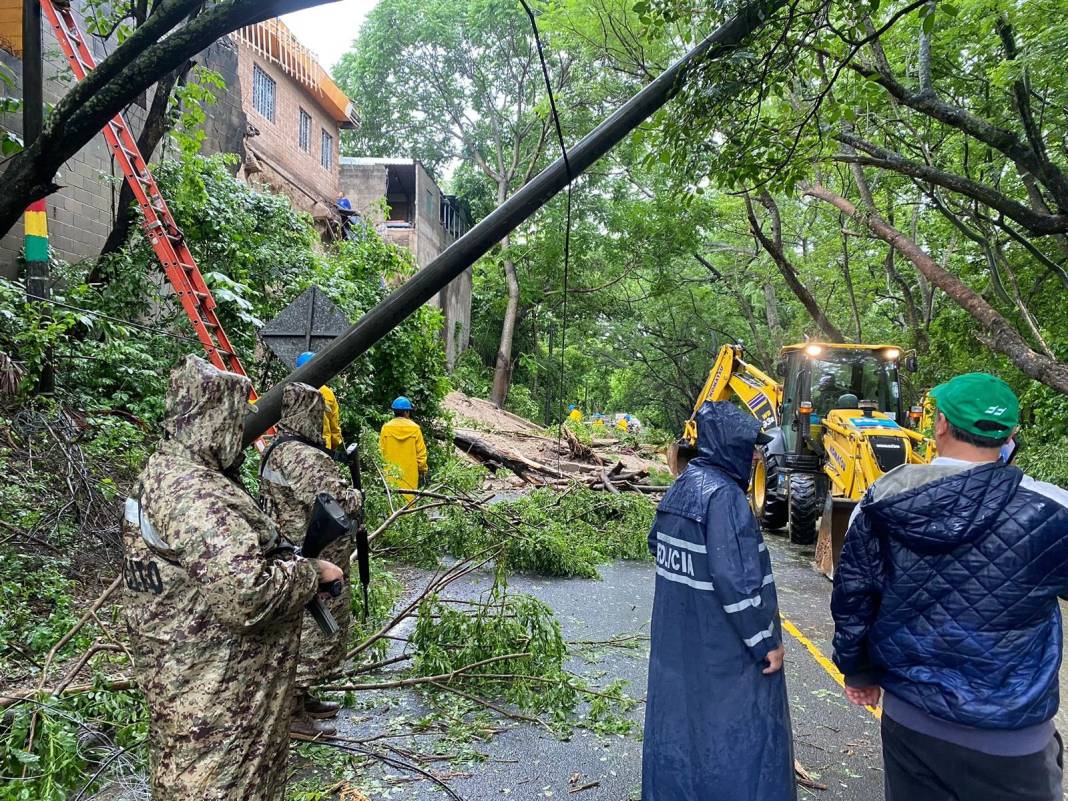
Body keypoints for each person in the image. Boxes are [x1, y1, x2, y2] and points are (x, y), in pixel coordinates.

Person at [831, 372, 1068, 801]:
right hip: (1011, 740)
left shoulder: (877, 502)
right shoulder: (1051, 511)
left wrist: (859, 671)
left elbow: (854, 598)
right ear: (1010, 433)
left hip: (910, 722)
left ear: (939, 424)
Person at [121, 355, 343, 801]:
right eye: (236, 416)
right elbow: (246, 595)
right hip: (216, 699)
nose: (243, 428)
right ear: (214, 418)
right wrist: (309, 572)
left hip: (196, 687)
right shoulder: (194, 494)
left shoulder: (168, 473)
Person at [642, 401, 795, 801]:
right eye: (752, 447)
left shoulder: (682, 486)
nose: (757, 455)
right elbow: (738, 583)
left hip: (676, 646)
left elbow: (656, 544)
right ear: (733, 446)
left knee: (680, 731)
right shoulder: (725, 498)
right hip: (721, 654)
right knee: (730, 740)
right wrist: (766, 643)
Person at [260, 383, 362, 738]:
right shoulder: (305, 457)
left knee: (304, 626)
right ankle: (291, 709)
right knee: (316, 630)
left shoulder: (277, 450)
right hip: (314, 556)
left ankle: (300, 698)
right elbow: (336, 502)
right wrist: (357, 496)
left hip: (292, 552)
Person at [379, 396, 428, 502]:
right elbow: (421, 454)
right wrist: (422, 470)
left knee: (391, 502)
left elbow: (380, 452)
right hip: (410, 475)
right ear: (407, 412)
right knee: (409, 503)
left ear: (394, 412)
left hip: (390, 475)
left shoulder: (386, 428)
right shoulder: (415, 429)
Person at [295, 351, 343, 450]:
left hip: (296, 450)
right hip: (321, 449)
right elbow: (334, 427)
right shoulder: (327, 393)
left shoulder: (291, 390)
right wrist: (333, 446)